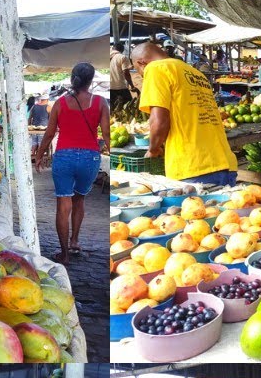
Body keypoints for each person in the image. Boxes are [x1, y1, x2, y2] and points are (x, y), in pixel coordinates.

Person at [132, 42, 238, 186]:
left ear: (141, 63)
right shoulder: (194, 72)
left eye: (139, 71)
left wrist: (153, 149)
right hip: (226, 163)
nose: (142, 76)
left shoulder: (155, 68)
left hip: (193, 166)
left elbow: (159, 121)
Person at [33, 63, 108, 265]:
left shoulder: (60, 103)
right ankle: (74, 241)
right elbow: (107, 134)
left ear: (72, 78)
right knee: (79, 199)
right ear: (91, 80)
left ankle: (64, 254)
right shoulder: (100, 102)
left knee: (63, 204)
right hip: (90, 157)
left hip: (64, 156)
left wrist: (39, 155)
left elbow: (49, 133)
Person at [110, 42, 136, 111]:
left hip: (109, 88)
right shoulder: (122, 57)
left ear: (113, 48)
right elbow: (126, 73)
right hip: (119, 87)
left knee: (112, 110)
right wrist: (132, 85)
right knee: (128, 108)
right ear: (122, 50)